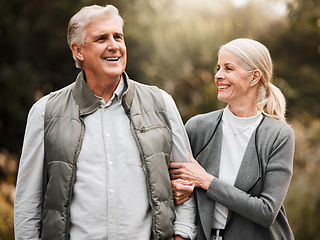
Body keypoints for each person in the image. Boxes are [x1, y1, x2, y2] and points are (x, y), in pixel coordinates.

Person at [14, 4, 196, 240]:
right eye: (101, 38)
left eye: (118, 36)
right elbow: (28, 201)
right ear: (78, 50)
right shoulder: (44, 112)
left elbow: (185, 182)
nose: (114, 45)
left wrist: (181, 236)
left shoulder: (161, 103)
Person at [169, 38, 295, 240]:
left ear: (254, 77)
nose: (218, 75)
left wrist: (206, 181)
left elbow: (266, 211)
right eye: (218, 68)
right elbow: (176, 185)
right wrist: (177, 189)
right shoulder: (197, 127)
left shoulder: (279, 135)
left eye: (229, 68)